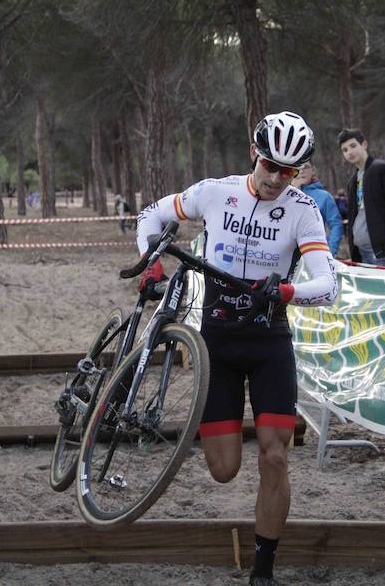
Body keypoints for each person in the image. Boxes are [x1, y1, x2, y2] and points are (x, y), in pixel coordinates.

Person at [137, 111, 337, 586]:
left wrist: (286, 291)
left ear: (300, 171)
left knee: (275, 456)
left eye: (287, 171)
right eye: (269, 165)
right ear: (254, 154)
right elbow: (151, 215)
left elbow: (329, 285)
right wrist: (148, 264)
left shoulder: (302, 210)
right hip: (218, 343)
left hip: (269, 342)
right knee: (224, 469)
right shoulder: (215, 192)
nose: (275, 178)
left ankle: (263, 568)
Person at [338, 128, 385, 267]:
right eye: (345, 150)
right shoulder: (352, 181)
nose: (349, 152)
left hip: (383, 253)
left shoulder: (383, 169)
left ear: (364, 144)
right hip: (361, 253)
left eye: (353, 146)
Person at [291, 160, 343, 256]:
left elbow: (336, 224)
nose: (301, 171)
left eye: (305, 167)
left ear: (313, 170)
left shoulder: (324, 196)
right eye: (298, 167)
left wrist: (330, 251)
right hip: (286, 254)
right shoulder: (283, 193)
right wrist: (294, 188)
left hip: (313, 252)